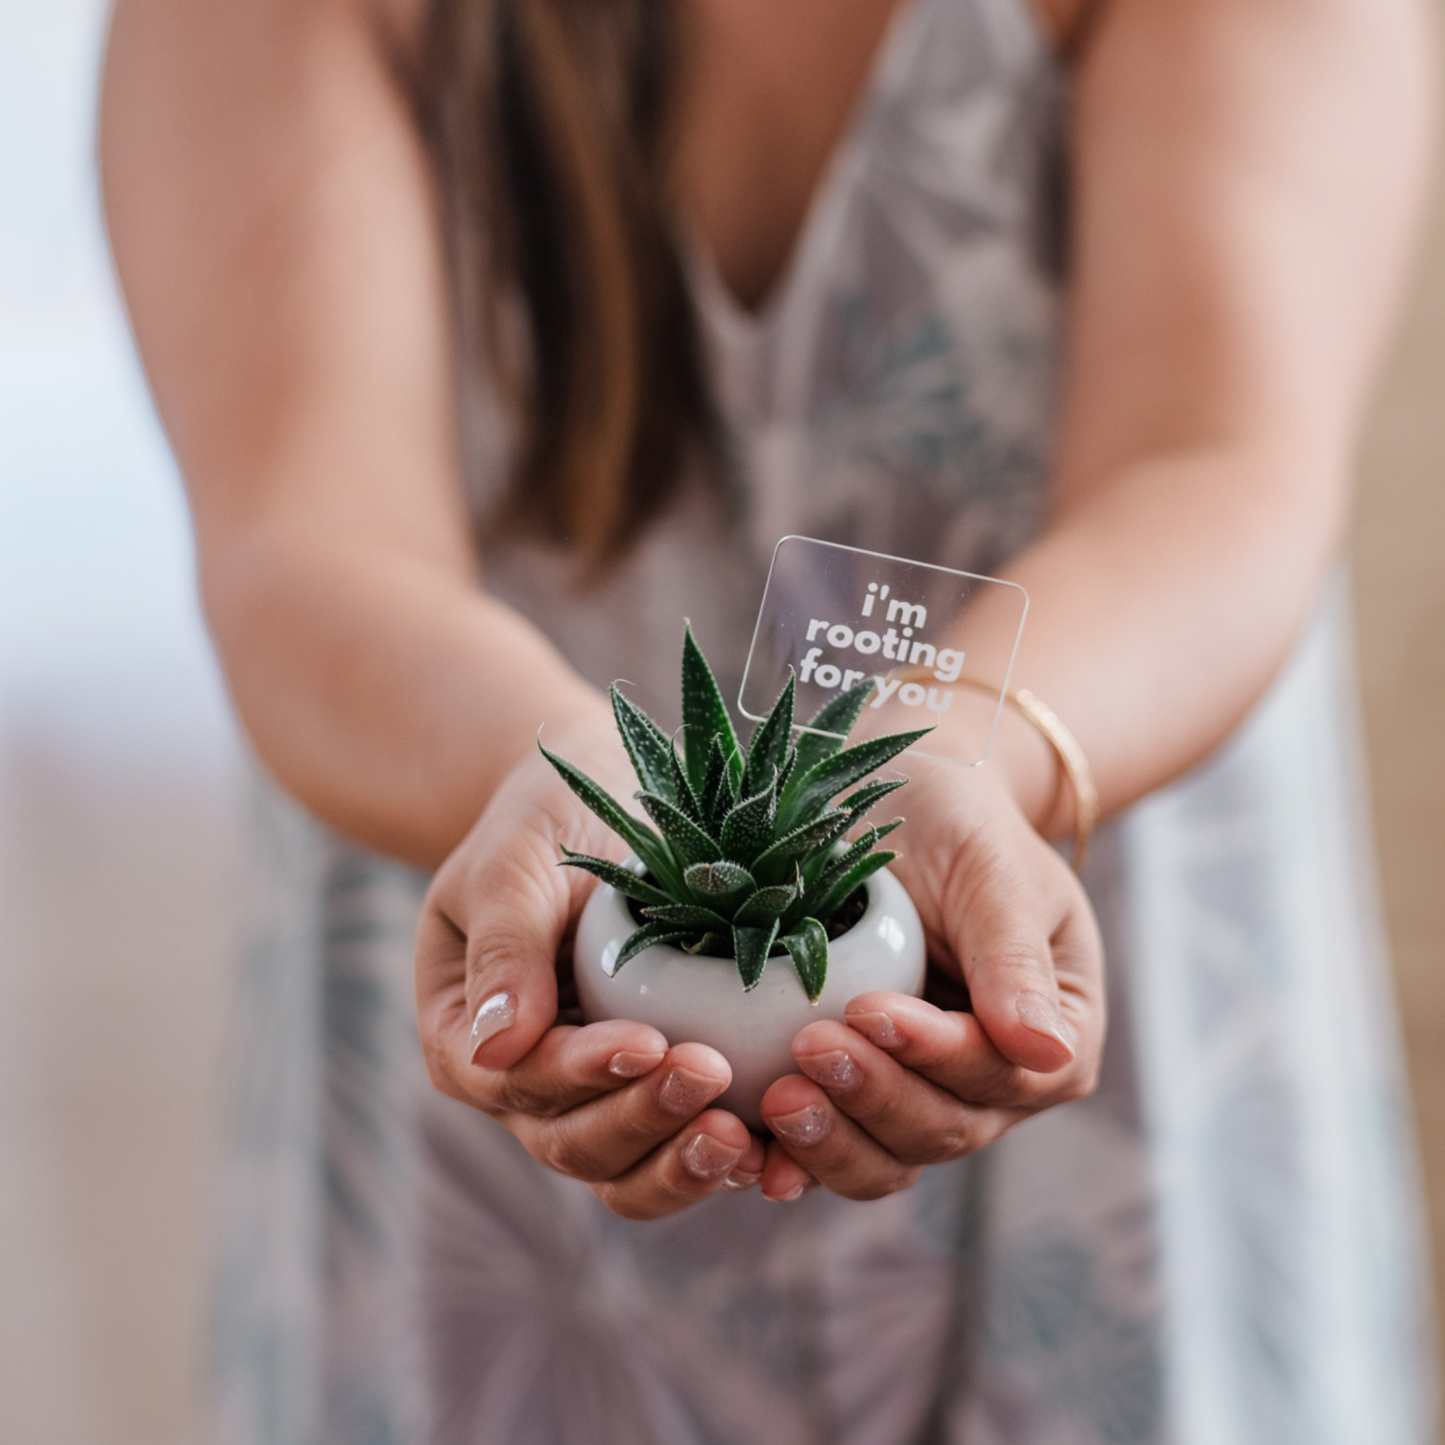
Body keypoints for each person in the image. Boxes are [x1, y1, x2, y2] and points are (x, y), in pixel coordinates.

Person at [101, 0, 1437, 1440]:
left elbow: (1217, 465)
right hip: (499, 1099)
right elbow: (309, 543)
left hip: (1099, 1115)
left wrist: (970, 753)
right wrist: (551, 786)